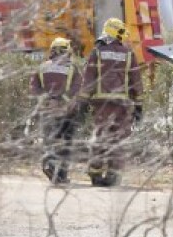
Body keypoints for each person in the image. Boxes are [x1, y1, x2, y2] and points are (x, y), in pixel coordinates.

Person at [79, 18, 142, 187]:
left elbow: (89, 79)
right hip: (122, 106)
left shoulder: (97, 52)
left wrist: (83, 101)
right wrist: (139, 105)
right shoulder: (128, 53)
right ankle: (114, 176)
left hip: (102, 105)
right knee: (118, 140)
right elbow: (136, 81)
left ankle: (96, 175)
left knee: (100, 138)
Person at [30, 37, 82, 184]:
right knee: (66, 142)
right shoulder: (73, 68)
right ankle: (62, 174)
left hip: (47, 111)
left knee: (49, 139)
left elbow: (34, 87)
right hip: (67, 111)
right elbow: (78, 87)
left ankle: (49, 163)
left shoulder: (42, 67)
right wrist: (62, 100)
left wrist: (48, 99)